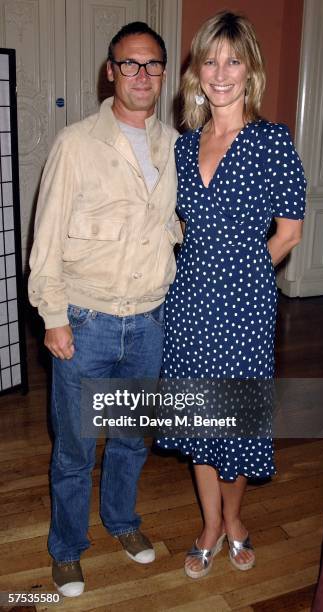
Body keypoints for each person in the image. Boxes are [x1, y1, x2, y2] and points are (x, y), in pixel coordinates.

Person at [28, 21, 181, 597]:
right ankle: (67, 549)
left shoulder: (174, 145)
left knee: (129, 440)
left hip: (148, 321)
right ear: (110, 72)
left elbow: (170, 227)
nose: (142, 75)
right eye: (130, 64)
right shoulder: (75, 143)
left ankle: (122, 521)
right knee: (73, 447)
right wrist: (54, 318)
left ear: (163, 73)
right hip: (86, 322)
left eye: (153, 65)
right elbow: (45, 240)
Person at [157, 11, 306, 579]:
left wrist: (241, 272)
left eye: (233, 60)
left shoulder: (272, 143)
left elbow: (288, 234)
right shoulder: (182, 147)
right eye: (211, 60)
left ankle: (236, 519)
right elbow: (181, 228)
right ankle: (210, 525)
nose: (221, 72)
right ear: (197, 71)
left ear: (251, 70)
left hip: (244, 306)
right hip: (190, 304)